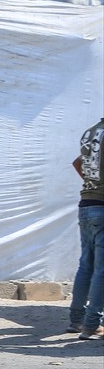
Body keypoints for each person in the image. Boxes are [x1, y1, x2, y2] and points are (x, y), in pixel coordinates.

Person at [68, 116, 104, 341]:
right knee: (102, 270)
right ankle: (92, 325)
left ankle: (76, 319)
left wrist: (94, 185)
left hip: (87, 204)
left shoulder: (91, 132)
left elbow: (77, 163)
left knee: (86, 266)